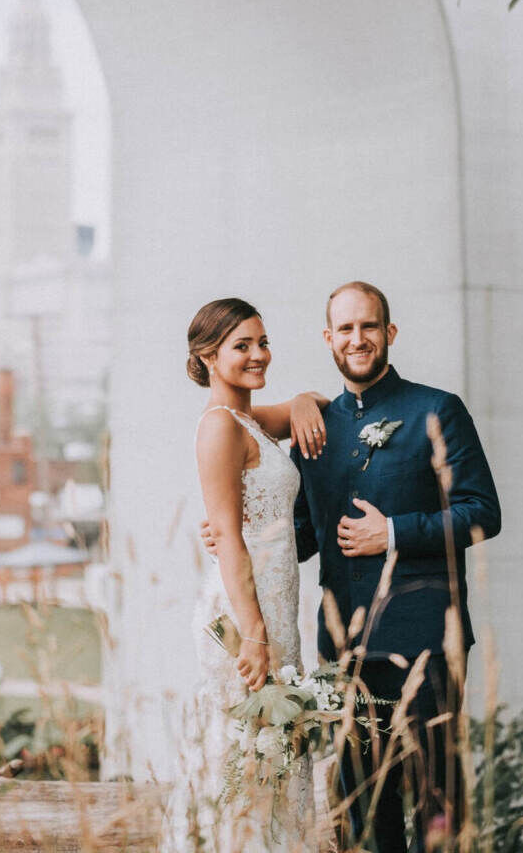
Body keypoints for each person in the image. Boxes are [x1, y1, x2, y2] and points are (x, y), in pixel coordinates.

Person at [293, 281, 502, 853]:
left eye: (368, 326)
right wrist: (235, 535)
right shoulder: (313, 429)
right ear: (328, 338)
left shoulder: (437, 409)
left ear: (389, 332)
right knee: (360, 814)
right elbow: (302, 538)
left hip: (427, 643)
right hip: (345, 654)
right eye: (345, 329)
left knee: (439, 807)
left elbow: (482, 512)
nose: (356, 339)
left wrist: (392, 533)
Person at [162, 297, 328, 853]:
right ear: (208, 356)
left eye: (263, 342)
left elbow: (318, 406)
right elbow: (228, 537)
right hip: (243, 617)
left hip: (274, 611)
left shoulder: (246, 421)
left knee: (275, 754)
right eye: (242, 346)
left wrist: (303, 399)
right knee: (242, 757)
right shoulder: (218, 429)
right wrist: (254, 634)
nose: (259, 355)